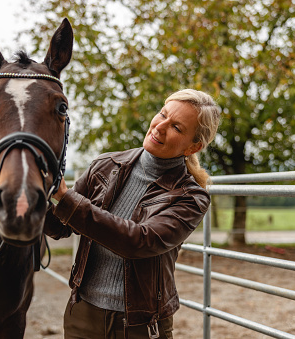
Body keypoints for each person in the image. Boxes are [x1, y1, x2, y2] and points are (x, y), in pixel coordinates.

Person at [44, 89, 221, 338]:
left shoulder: (190, 197)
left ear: (194, 146)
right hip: (82, 314)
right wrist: (32, 196)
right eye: (162, 114)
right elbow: (59, 226)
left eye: (177, 128)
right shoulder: (105, 165)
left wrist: (66, 197)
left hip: (140, 324)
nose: (160, 127)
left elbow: (138, 241)